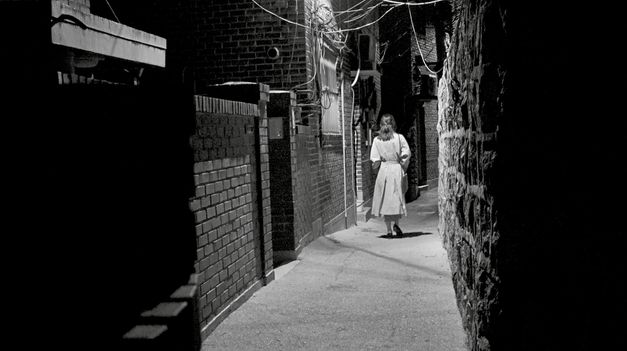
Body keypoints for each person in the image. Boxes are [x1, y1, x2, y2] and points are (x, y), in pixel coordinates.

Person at [370, 113, 411, 237]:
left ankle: (388, 229)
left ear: (381, 125)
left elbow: (374, 159)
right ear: (393, 124)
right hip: (396, 169)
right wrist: (402, 164)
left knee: (385, 200)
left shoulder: (377, 140)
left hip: (384, 170)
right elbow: (406, 153)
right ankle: (396, 224)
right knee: (396, 198)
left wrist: (377, 168)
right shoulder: (399, 138)